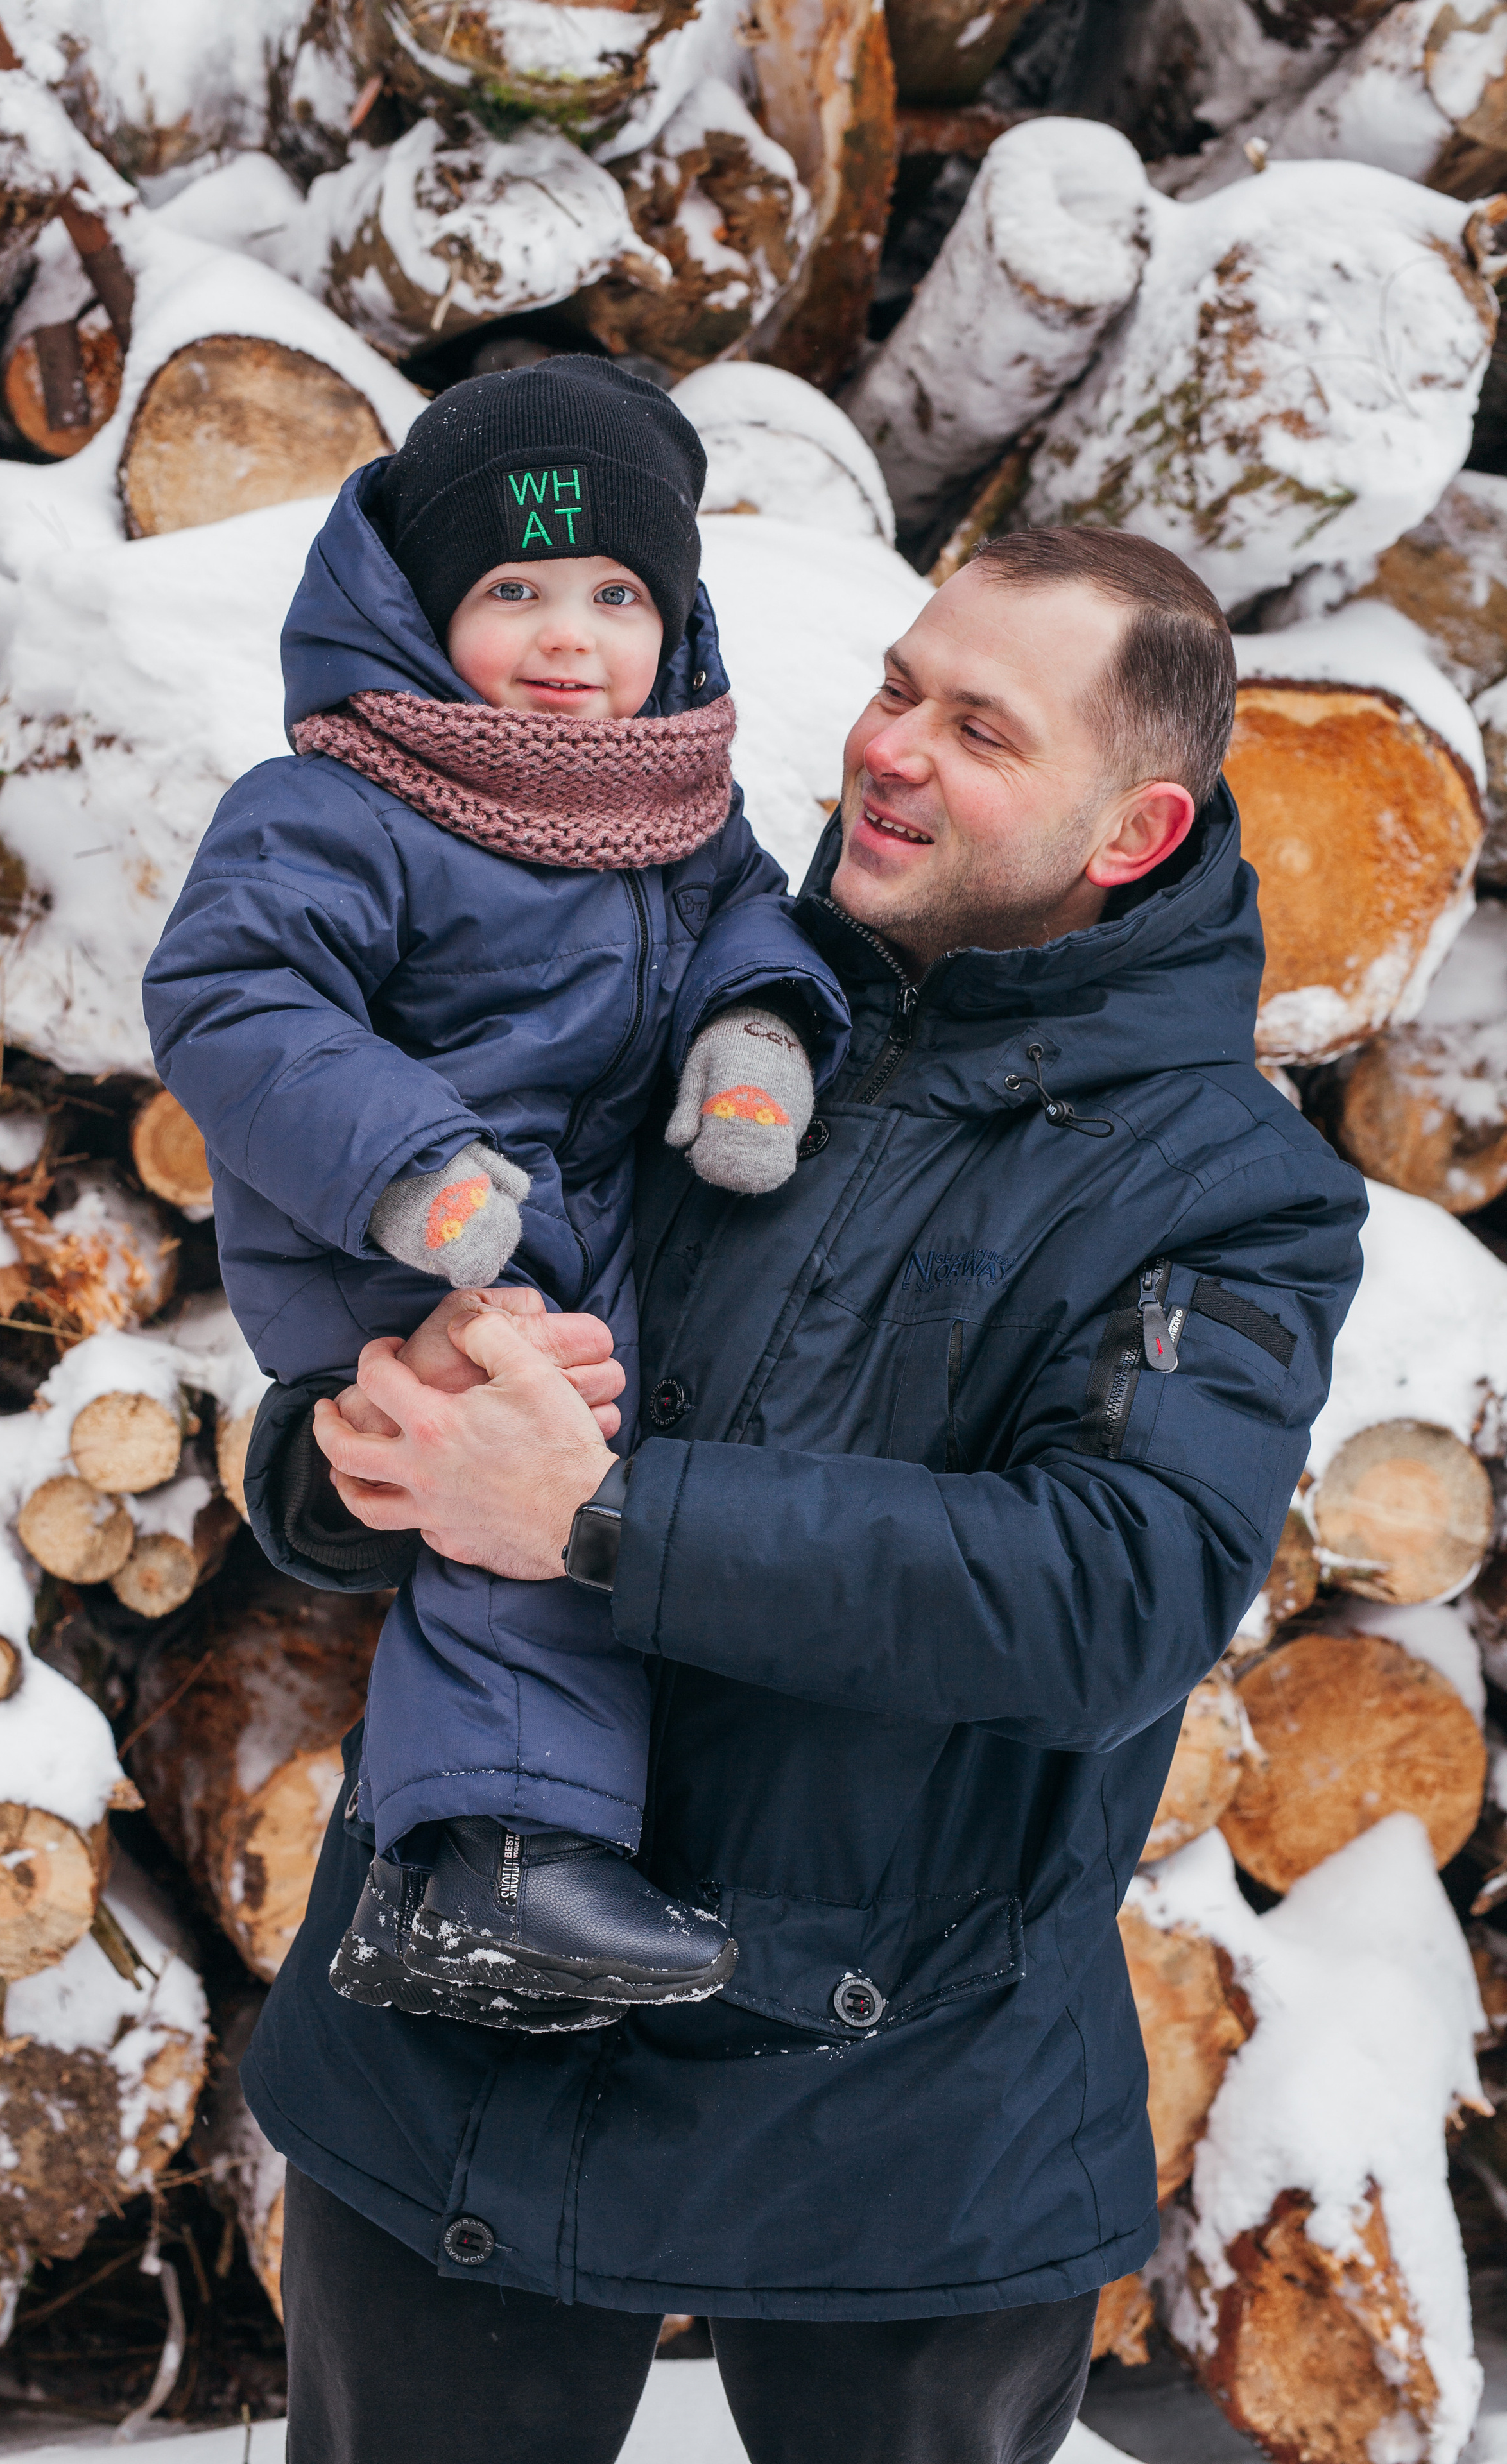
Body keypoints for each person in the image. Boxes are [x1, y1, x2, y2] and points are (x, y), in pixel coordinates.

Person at [243, 527, 1367, 2464]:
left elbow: (1111, 1598)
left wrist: (596, 1516)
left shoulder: (1226, 1188)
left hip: (909, 2091)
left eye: (981, 729)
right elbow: (414, 1307)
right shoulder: (680, 968)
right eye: (897, 685)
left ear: (1132, 827)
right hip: (472, 2029)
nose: (891, 747)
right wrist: (349, 1459)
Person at [142, 356, 850, 2028]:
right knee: (519, 1491)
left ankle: (590, 1844)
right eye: (514, 588)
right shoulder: (338, 806)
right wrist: (405, 1169)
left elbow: (749, 922)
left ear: (671, 623)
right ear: (415, 606)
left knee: (644, 1493)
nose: (565, 637)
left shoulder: (677, 813)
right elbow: (234, 1002)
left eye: (614, 593)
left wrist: (756, 1043)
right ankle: (490, 1870)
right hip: (393, 1243)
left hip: (582, 1232)